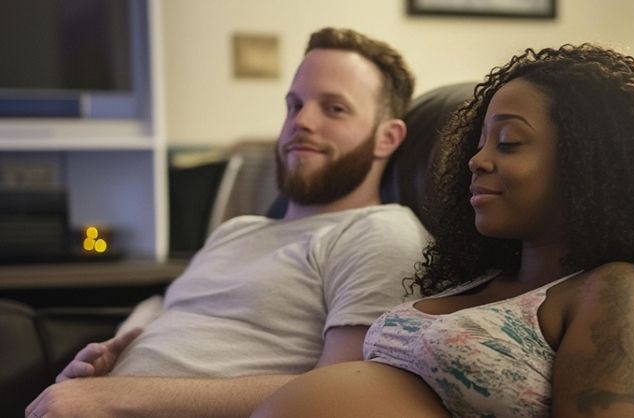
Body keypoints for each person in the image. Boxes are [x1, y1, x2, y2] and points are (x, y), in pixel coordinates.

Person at [252, 43, 634, 418]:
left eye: (508, 143)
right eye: (480, 142)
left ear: (589, 163)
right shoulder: (477, 281)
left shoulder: (618, 292)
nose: (477, 160)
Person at [26, 27, 428, 418]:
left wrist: (115, 398)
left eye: (334, 108)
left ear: (387, 137)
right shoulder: (236, 230)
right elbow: (171, 318)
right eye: (294, 105)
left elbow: (341, 394)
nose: (301, 121)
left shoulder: (380, 234)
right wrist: (100, 371)